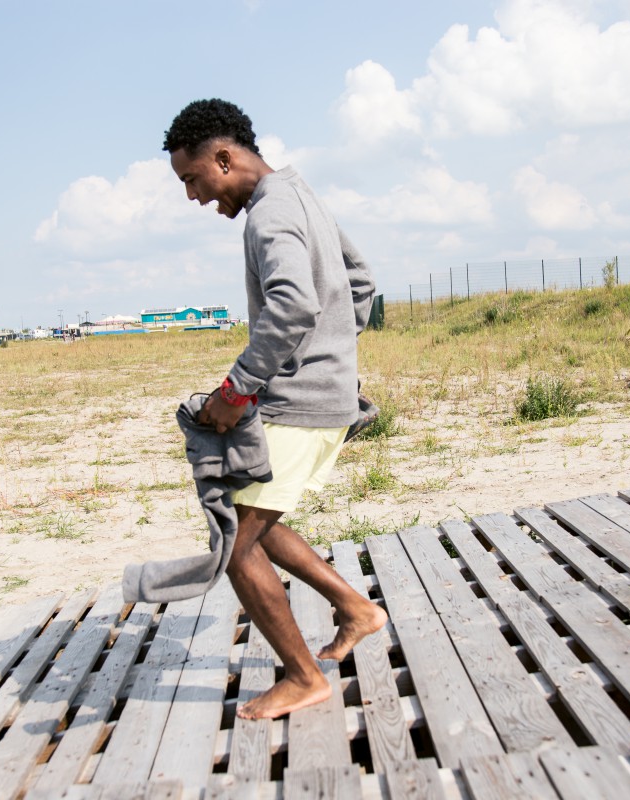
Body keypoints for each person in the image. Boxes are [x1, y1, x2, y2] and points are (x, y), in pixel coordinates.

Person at [164, 98, 388, 720]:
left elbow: (291, 306)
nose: (193, 197)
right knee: (253, 516)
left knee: (236, 545)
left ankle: (303, 677)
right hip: (322, 391)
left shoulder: (266, 216)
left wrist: (237, 391)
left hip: (299, 403)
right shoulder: (299, 192)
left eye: (191, 179)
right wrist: (334, 351)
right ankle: (357, 610)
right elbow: (360, 281)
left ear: (224, 157)